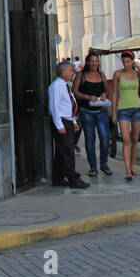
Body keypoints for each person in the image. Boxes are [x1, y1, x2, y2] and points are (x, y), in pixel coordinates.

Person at [48, 60, 89, 189]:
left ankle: (58, 178)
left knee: (62, 152)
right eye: (71, 70)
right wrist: (59, 125)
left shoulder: (65, 85)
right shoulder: (56, 86)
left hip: (68, 120)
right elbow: (54, 107)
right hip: (61, 121)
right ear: (63, 72)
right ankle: (74, 179)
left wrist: (74, 121)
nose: (73, 73)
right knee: (68, 151)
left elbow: (68, 104)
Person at [73, 53, 113, 176]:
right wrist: (87, 97)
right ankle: (93, 167)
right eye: (92, 61)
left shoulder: (102, 75)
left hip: (101, 111)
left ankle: (104, 164)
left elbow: (107, 91)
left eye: (96, 61)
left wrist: (104, 95)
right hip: (86, 112)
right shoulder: (81, 75)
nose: (94, 63)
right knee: (90, 140)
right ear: (87, 62)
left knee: (105, 139)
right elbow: (74, 91)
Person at [112, 51, 140, 181]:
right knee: (126, 139)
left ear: (132, 61)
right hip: (123, 109)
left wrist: (137, 65)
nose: (125, 64)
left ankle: (132, 166)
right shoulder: (118, 74)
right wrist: (114, 111)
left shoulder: (137, 73)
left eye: (128, 61)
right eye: (123, 62)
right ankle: (127, 170)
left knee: (135, 138)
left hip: (137, 107)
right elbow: (114, 93)